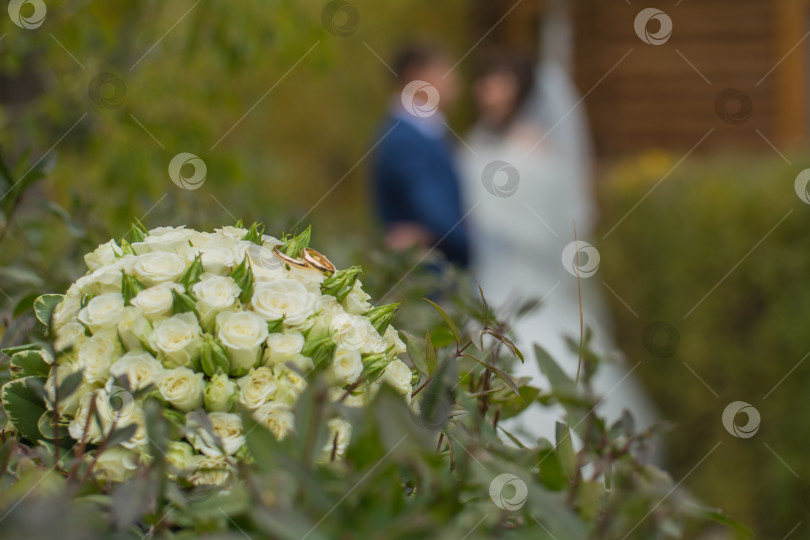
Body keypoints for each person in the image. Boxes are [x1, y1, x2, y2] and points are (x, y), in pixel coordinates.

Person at [459, 52, 659, 452]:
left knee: (531, 363)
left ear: (520, 91)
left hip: (523, 281)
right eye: (485, 82)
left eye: (497, 83)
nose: (487, 93)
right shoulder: (484, 139)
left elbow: (549, 226)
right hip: (486, 279)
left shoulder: (531, 150)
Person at [371, 43, 470, 267]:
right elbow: (436, 216)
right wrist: (484, 245)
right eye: (447, 71)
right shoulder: (406, 140)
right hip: (430, 276)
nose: (456, 82)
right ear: (419, 77)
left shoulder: (424, 132)